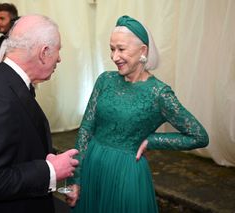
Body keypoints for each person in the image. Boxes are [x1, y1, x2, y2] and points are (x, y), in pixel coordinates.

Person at [65, 15, 209, 213]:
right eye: (112, 49)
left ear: (143, 51)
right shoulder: (105, 80)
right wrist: (75, 177)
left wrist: (152, 140)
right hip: (93, 165)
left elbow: (199, 136)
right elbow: (86, 128)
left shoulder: (159, 93)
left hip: (126, 173)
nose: (114, 57)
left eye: (121, 49)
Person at [0, 14, 79, 213]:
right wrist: (50, 171)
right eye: (58, 50)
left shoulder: (9, 82)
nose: (59, 58)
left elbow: (16, 150)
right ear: (43, 52)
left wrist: (50, 171)